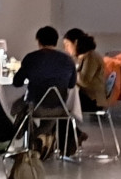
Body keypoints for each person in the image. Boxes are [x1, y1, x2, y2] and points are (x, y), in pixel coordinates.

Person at [12, 26, 77, 156]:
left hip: (36, 106)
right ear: (56, 41)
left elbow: (17, 82)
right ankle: (41, 138)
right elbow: (71, 84)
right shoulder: (68, 60)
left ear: (38, 41)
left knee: (18, 107)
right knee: (45, 107)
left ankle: (27, 137)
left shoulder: (32, 58)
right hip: (60, 107)